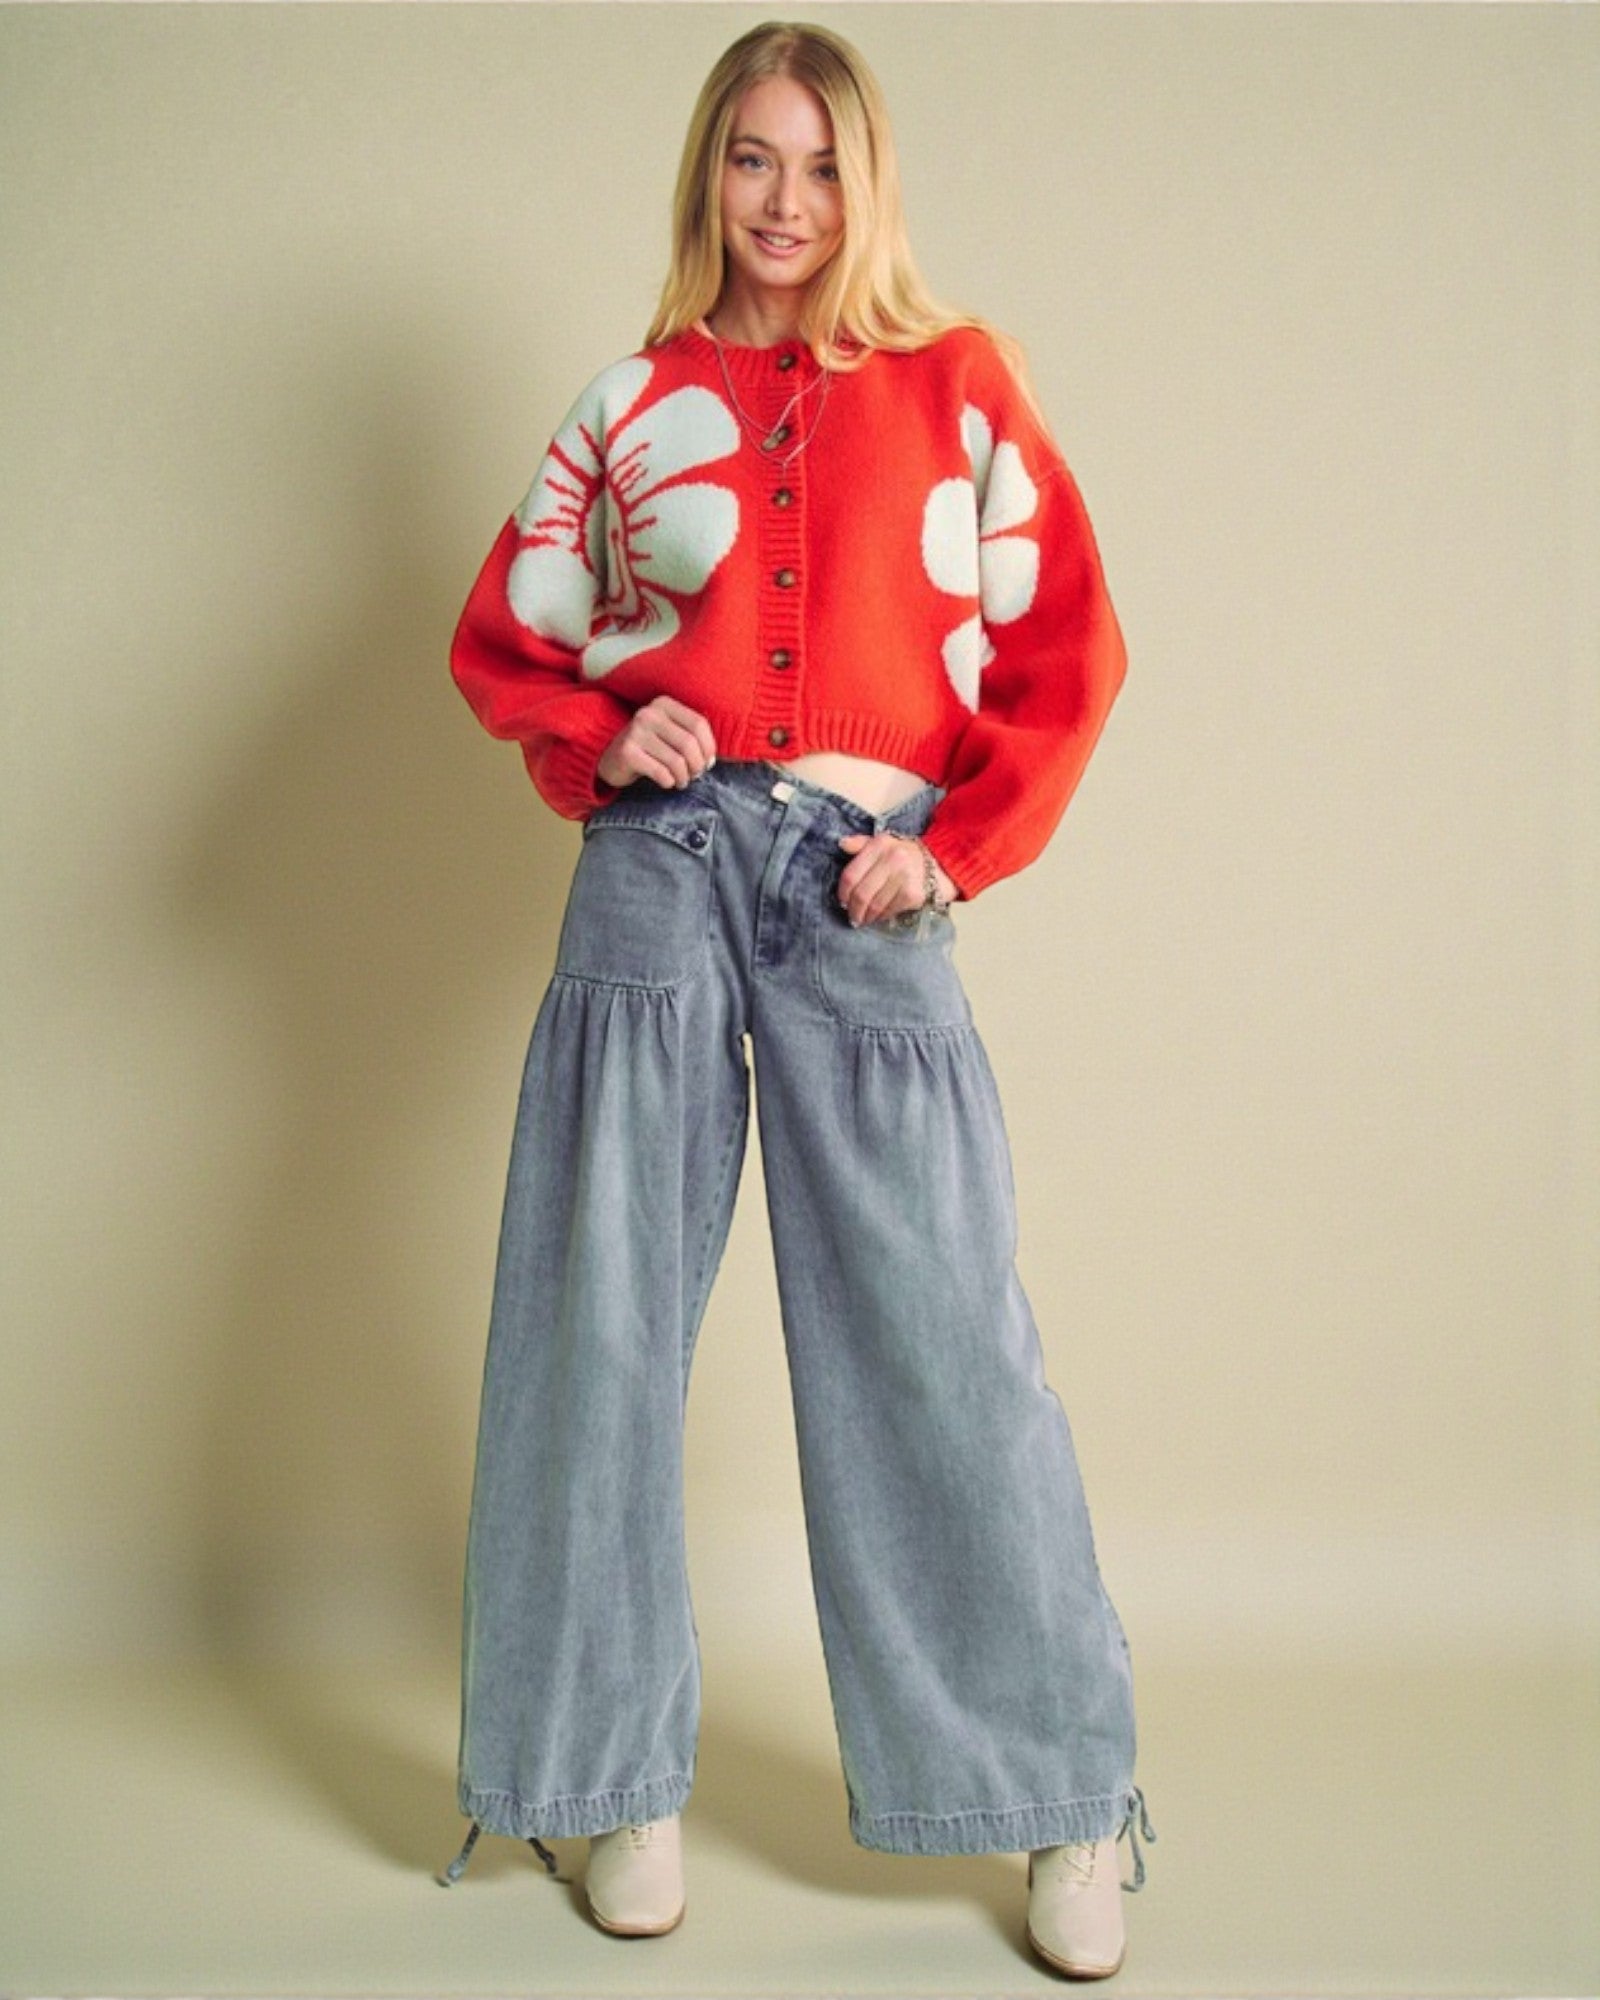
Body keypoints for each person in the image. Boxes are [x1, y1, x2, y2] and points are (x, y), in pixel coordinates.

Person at [435, 16, 1155, 1980]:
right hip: (656, 871)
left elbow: (1065, 648)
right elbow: (505, 632)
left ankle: (1057, 1796)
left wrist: (959, 844)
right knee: (593, 1322)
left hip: (861, 876)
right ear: (707, 176)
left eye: (819, 165)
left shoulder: (956, 384)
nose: (782, 201)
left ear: (868, 186)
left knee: (936, 1325)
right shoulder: (634, 400)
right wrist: (606, 725)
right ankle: (605, 1776)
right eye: (751, 160)